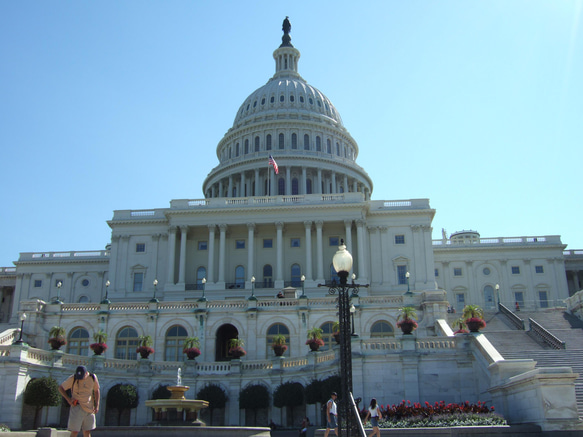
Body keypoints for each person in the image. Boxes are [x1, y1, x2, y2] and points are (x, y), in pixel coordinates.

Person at [59, 366, 100, 437]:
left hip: (89, 408)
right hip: (77, 407)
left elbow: (96, 390)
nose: (80, 378)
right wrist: (68, 399)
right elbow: (61, 388)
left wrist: (97, 405)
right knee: (75, 431)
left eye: (81, 376)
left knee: (87, 431)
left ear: (86, 373)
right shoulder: (73, 378)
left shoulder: (93, 377)